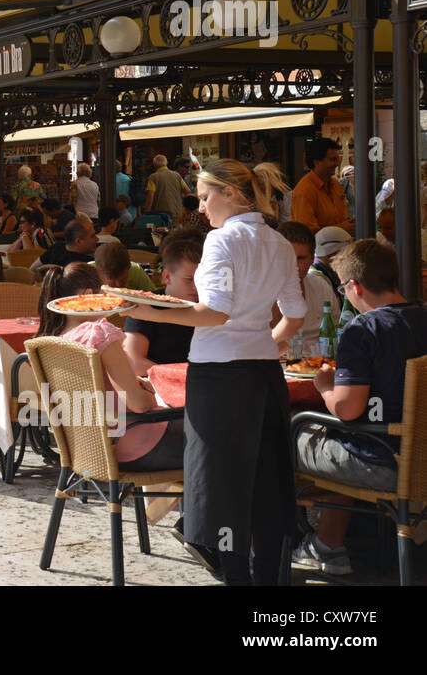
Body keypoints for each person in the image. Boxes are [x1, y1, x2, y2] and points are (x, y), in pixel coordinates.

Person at [126, 160, 306, 585]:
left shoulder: (223, 241)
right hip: (264, 374)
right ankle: (265, 577)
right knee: (266, 477)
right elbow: (296, 314)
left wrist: (141, 310)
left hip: (220, 379)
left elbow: (214, 313)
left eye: (205, 197)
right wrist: (264, 342)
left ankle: (235, 577)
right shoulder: (279, 242)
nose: (201, 208)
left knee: (220, 483)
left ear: (230, 193)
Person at [293, 240, 427, 576]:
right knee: (343, 437)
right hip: (418, 455)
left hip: (385, 462)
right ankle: (335, 540)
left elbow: (348, 409)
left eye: (343, 287)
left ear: (353, 286)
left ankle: (323, 545)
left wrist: (324, 387)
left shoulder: (363, 329)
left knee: (291, 432)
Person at [35, 262, 185, 471]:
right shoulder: (98, 334)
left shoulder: (52, 342)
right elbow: (140, 405)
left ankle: (162, 504)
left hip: (89, 451)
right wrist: (149, 394)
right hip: (137, 445)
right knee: (221, 438)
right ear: (89, 296)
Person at [122, 236, 203, 376]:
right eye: (189, 280)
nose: (197, 287)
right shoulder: (146, 305)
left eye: (201, 280)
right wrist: (180, 376)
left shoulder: (209, 307)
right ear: (167, 277)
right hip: (158, 385)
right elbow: (133, 361)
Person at [277, 222, 339, 348]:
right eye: (287, 257)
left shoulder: (321, 285)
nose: (293, 265)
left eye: (300, 258)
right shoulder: (261, 293)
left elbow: (337, 332)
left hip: (322, 363)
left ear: (312, 259)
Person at [290, 137, 355, 235]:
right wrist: (341, 229)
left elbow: (341, 218)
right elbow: (306, 234)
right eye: (333, 159)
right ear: (317, 163)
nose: (338, 163)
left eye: (338, 159)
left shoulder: (335, 185)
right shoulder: (304, 191)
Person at [31, 218, 98, 272]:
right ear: (79, 241)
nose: (97, 239)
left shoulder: (55, 248)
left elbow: (32, 269)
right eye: (93, 236)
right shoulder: (86, 264)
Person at [144, 154, 191, 221]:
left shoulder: (153, 177)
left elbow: (150, 196)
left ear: (154, 165)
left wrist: (146, 213)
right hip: (177, 212)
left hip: (161, 215)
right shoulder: (177, 175)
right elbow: (188, 191)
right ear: (166, 163)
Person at [310, 225, 352, 299]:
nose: (349, 259)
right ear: (332, 255)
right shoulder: (317, 280)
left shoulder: (330, 272)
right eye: (347, 254)